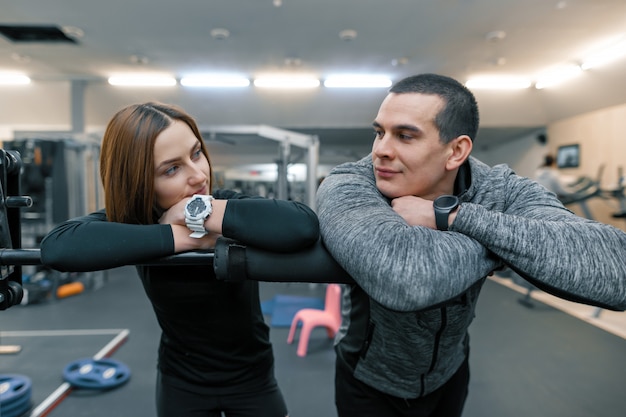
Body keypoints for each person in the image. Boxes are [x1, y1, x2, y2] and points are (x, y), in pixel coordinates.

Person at [316, 73, 626, 417]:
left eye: (405, 136)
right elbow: (406, 280)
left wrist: (454, 217)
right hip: (369, 380)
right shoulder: (351, 183)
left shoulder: (501, 190)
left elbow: (617, 267)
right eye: (379, 132)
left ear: (456, 151)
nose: (380, 151)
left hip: (450, 371)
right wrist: (504, 246)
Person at [40, 102, 320, 417]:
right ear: (140, 182)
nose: (199, 174)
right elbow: (58, 247)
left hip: (252, 376)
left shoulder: (225, 206)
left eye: (196, 153)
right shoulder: (137, 223)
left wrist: (195, 212)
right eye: (172, 168)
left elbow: (302, 225)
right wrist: (183, 236)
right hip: (182, 382)